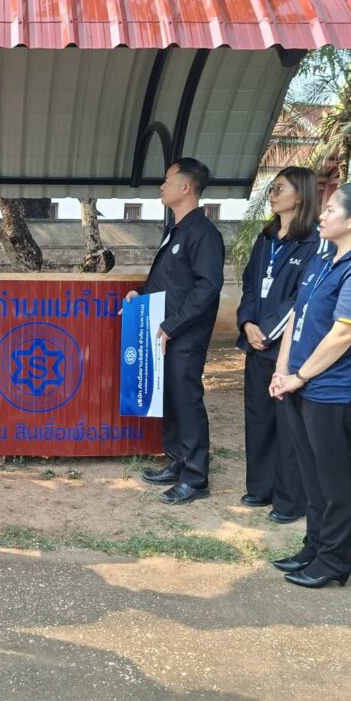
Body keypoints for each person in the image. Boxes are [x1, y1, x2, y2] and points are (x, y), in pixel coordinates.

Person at [269, 182, 351, 588]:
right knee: (312, 477)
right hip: (302, 384)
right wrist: (282, 371)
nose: (322, 215)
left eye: (331, 209)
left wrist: (300, 376)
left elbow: (344, 333)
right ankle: (313, 548)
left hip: (335, 391)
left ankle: (332, 562)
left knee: (336, 481)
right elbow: (297, 316)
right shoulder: (326, 258)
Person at [128, 158, 225, 505]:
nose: (162, 186)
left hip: (184, 335)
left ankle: (196, 477)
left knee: (186, 400)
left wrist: (173, 325)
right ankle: (178, 461)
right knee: (169, 397)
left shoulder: (203, 233)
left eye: (167, 180)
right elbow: (169, 280)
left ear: (185, 187)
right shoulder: (177, 230)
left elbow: (208, 287)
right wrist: (141, 293)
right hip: (164, 333)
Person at [236, 167, 326, 523]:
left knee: (288, 426)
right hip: (256, 342)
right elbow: (248, 283)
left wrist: (267, 331)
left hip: (286, 348)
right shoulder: (266, 237)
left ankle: (290, 500)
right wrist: (247, 323)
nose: (272, 195)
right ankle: (261, 488)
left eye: (279, 189)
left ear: (300, 195)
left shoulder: (314, 242)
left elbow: (304, 297)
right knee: (258, 418)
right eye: (271, 189)